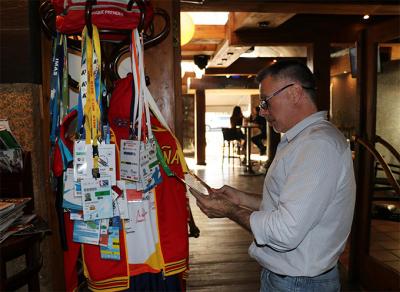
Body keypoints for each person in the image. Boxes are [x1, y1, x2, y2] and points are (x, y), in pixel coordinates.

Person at [190, 60, 356, 292]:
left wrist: (230, 211)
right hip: (290, 278)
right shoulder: (303, 139)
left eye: (266, 101)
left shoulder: (317, 145)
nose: (263, 111)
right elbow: (287, 206)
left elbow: (285, 231)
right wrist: (240, 199)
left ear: (295, 92)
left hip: (300, 283)